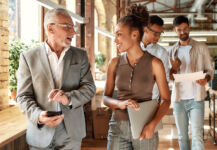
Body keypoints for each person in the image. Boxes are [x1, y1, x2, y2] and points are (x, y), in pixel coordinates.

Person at [17, 8, 96, 150]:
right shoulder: (28, 57)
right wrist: (39, 116)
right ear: (50, 28)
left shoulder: (80, 56)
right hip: (40, 132)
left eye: (73, 27)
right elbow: (23, 96)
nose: (73, 32)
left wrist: (68, 98)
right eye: (67, 27)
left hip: (71, 133)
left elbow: (89, 88)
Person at [103, 4, 170, 150]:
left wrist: (152, 125)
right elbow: (106, 98)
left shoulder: (155, 63)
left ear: (134, 34)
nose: (115, 40)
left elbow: (166, 99)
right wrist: (120, 104)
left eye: (119, 34)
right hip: (117, 128)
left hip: (145, 127)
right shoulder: (114, 63)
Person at [169, 15, 214, 150]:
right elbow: (168, 77)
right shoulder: (171, 51)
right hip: (178, 99)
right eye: (179, 30)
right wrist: (174, 68)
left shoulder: (201, 47)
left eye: (185, 28)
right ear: (174, 31)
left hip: (196, 98)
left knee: (197, 135)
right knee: (182, 136)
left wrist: (205, 79)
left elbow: (209, 70)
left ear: (189, 27)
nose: (183, 32)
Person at [141, 15, 169, 100]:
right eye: (156, 33)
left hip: (152, 100)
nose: (158, 37)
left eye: (160, 33)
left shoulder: (162, 53)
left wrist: (160, 103)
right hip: (131, 101)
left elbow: (165, 80)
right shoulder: (131, 48)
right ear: (145, 29)